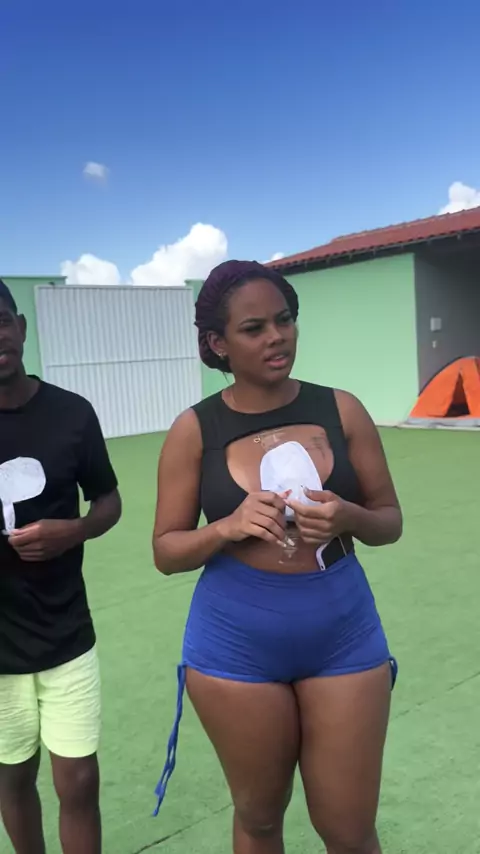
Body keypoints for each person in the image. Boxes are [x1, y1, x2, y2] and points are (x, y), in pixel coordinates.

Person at [152, 260, 402, 854]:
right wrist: (227, 528)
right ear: (218, 343)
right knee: (260, 819)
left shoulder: (341, 410)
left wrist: (349, 516)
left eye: (284, 320)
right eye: (254, 328)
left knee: (350, 830)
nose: (277, 337)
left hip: (343, 633)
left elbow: (389, 521)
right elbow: (166, 550)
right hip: (236, 644)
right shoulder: (195, 429)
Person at [0, 279, 121, 854]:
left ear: (21, 327)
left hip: (66, 632)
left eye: (1, 322)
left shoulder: (72, 412)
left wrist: (73, 531)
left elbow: (108, 501)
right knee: (12, 779)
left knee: (78, 782)